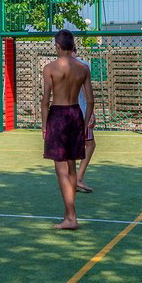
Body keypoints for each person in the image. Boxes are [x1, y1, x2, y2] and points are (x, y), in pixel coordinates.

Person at [41, 30, 94, 230]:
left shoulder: (50, 68)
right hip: (75, 114)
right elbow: (90, 100)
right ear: (72, 46)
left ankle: (71, 216)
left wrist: (45, 125)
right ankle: (68, 213)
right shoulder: (83, 68)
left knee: (60, 169)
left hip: (58, 115)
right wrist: (85, 121)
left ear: (57, 46)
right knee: (71, 167)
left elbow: (45, 100)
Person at [75, 56, 96, 193]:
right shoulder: (82, 64)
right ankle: (78, 178)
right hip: (81, 112)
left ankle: (71, 180)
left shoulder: (57, 65)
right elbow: (88, 95)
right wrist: (91, 113)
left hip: (63, 113)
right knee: (90, 144)